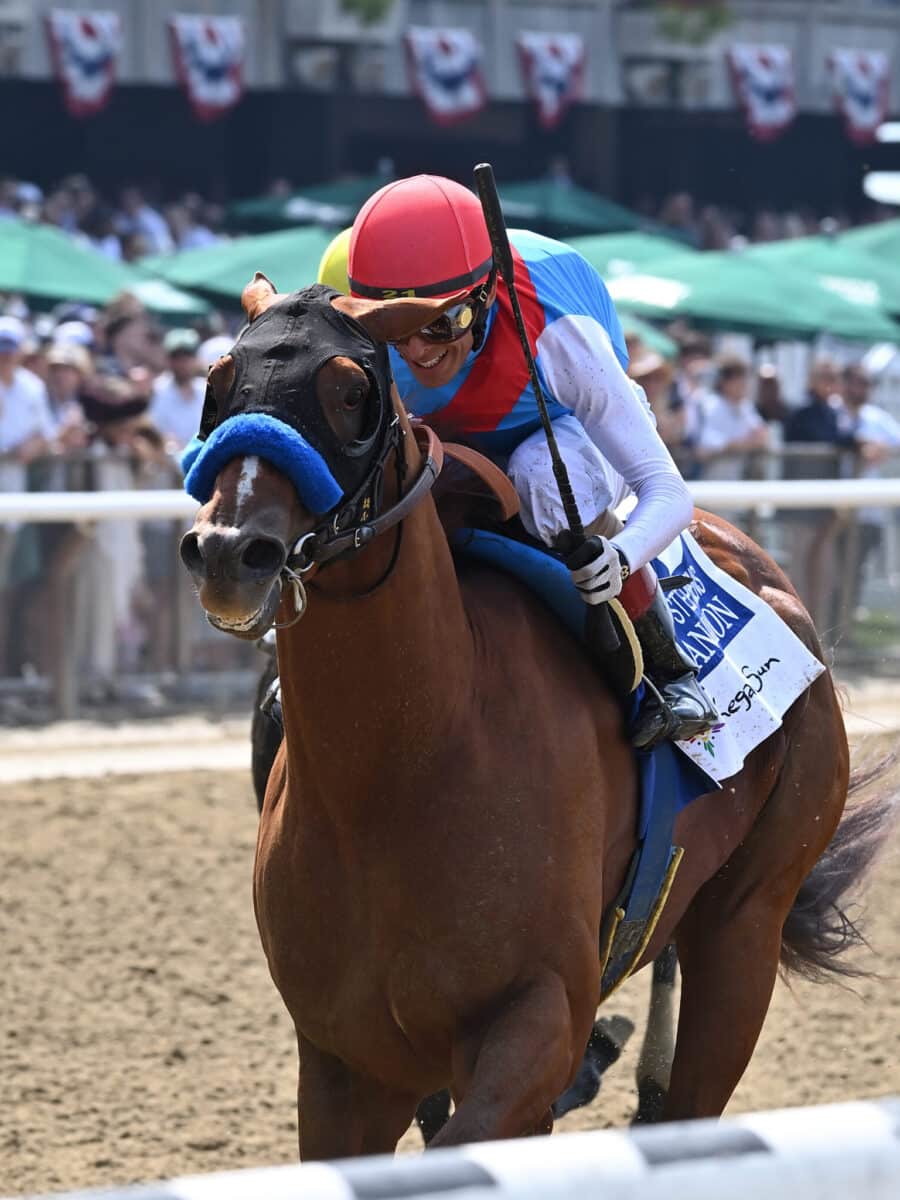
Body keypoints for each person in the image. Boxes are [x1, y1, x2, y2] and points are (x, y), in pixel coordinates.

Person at [346, 175, 717, 749]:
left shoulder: (557, 329)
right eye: (395, 329)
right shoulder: (355, 336)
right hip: (457, 439)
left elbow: (666, 490)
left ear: (487, 293)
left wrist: (618, 558)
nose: (417, 351)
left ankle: (672, 675)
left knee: (542, 472)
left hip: (566, 426)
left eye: (442, 323)